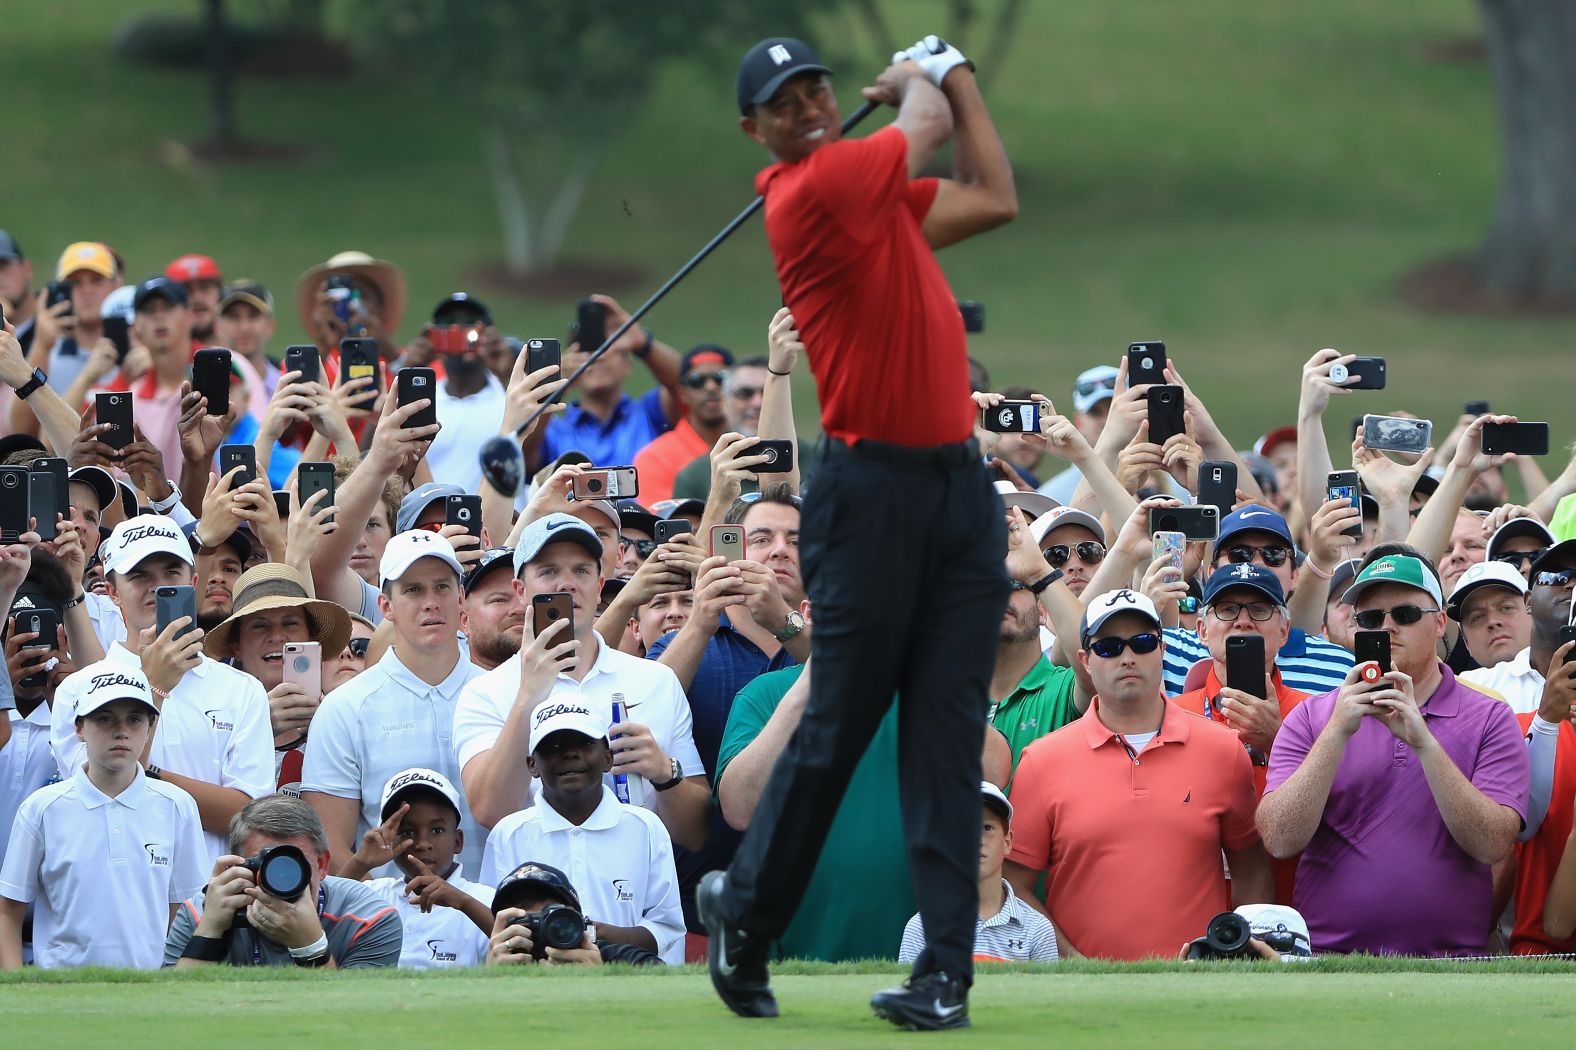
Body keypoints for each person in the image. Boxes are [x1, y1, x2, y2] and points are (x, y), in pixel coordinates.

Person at [700, 34, 1018, 1030]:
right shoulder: (809, 192)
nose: (808, 108)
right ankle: (746, 922)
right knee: (837, 729)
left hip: (958, 492)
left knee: (943, 733)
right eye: (783, 102)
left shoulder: (871, 194)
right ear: (756, 129)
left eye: (818, 90)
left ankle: (943, 980)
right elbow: (922, 130)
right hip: (867, 490)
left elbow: (993, 193)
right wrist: (927, 79)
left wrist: (954, 75)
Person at [1257, 548, 1530, 956]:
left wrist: (1424, 743)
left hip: (1452, 964)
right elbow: (1279, 838)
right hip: (1331, 962)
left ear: (1439, 623)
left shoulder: (1490, 717)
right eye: (1369, 619)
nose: (1387, 627)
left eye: (1404, 615)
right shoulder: (1313, 718)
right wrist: (1336, 733)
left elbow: (1492, 844)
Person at [1005, 590, 1273, 960]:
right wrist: (1073, 964)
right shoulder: (1041, 760)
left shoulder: (1224, 750)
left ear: (1162, 650)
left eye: (1143, 642)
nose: (1128, 657)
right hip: (1085, 993)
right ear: (1084, 660)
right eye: (1110, 647)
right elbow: (1014, 886)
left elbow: (1251, 869)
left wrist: (1237, 954)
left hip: (1199, 986)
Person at [454, 514, 709, 852]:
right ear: (521, 590)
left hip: (634, 893)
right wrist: (528, 697)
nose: (567, 583)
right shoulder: (484, 692)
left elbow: (697, 834)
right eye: (548, 572)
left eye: (581, 570)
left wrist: (664, 772)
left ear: (600, 585)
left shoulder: (656, 680)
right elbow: (490, 811)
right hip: (533, 894)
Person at [50, 515, 274, 864]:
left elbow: (250, 817)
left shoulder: (241, 689)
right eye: (140, 576)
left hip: (209, 902)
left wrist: (149, 777)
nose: (157, 586)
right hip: (118, 900)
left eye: (171, 573)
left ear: (193, 581)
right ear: (112, 592)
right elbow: (100, 792)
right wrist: (153, 687)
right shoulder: (77, 689)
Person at [301, 530, 485, 875]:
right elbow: (331, 845)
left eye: (442, 587)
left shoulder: (503, 695)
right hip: (389, 924)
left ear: (461, 596)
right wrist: (385, 917)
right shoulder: (344, 708)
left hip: (498, 922)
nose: (431, 601)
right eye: (413, 590)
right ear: (386, 606)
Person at [0, 668, 205, 969]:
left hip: (153, 993)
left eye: (134, 719)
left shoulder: (177, 805)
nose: (121, 731)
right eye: (105, 718)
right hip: (62, 994)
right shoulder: (42, 809)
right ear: (79, 728)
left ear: (150, 728)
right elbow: (9, 908)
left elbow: (184, 909)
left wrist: (175, 985)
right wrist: (16, 987)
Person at [478, 697, 684, 964]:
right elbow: (494, 926)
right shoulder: (509, 834)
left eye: (585, 744)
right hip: (533, 980)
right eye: (553, 746)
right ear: (532, 765)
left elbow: (667, 928)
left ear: (608, 758)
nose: (570, 753)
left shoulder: (645, 827)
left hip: (625, 982)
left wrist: (592, 934)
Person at [164, 793, 402, 968]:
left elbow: (353, 1020)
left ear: (321, 865)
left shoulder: (369, 919)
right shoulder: (201, 913)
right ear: (238, 866)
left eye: (293, 865)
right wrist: (210, 929)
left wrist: (310, 945)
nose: (279, 879)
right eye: (264, 864)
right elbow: (175, 1018)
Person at [1160, 506, 1355, 696]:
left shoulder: (1340, 666)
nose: (1256, 563)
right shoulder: (1167, 650)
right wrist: (1129, 554)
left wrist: (1277, 728)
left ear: (1295, 575)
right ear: (1211, 573)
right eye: (1240, 553)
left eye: (1273, 554)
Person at [201, 563, 352, 792]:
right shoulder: (212, 723)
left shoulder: (345, 715)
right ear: (237, 645)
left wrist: (330, 730)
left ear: (311, 638)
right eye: (259, 626)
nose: (277, 636)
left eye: (290, 623)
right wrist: (257, 730)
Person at [344, 769, 494, 969]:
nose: (423, 843)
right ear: (388, 841)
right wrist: (360, 862)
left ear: (457, 841)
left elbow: (521, 946)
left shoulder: (484, 899)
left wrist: (463, 903)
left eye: (437, 830)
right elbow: (319, 915)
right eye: (407, 831)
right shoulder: (374, 894)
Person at [899, 782, 1058, 964]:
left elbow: (1046, 992)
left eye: (987, 828)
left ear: (1007, 842)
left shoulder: (1037, 928)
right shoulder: (921, 928)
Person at [526, 294, 685, 471]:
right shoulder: (553, 430)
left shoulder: (650, 414)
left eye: (606, 346)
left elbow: (687, 386)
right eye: (588, 348)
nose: (597, 356)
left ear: (627, 364)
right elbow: (523, 454)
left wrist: (643, 343)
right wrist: (556, 386)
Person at [486, 860, 660, 967]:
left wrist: (600, 981)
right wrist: (492, 981)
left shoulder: (625, 960)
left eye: (553, 919)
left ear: (577, 922)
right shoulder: (497, 965)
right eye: (523, 922)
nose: (541, 930)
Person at [421, 293, 507, 493]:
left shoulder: (510, 396)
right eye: (448, 324)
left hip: (495, 522)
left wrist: (506, 373)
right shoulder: (421, 400)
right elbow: (373, 455)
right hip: (429, 522)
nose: (458, 330)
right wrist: (408, 370)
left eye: (469, 324)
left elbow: (533, 453)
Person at [634, 344, 734, 505]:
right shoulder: (655, 458)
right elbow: (663, 523)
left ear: (736, 388)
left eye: (721, 378)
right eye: (697, 381)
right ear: (682, 394)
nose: (711, 386)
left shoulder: (756, 445)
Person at [1452, 561, 1534, 706]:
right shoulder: (1458, 691)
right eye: (1477, 617)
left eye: (1506, 608)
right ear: (1466, 643)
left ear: (1533, 610)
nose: (1493, 621)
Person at [1035, 365, 1117, 504]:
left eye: (1113, 409)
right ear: (1079, 422)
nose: (1105, 420)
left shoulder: (1165, 478)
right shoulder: (1050, 497)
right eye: (1095, 412)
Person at [463, 547, 525, 672]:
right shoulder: (444, 687)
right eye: (499, 600)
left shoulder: (569, 687)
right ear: (464, 621)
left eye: (525, 596)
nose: (520, 609)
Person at [215, 280, 279, 399]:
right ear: (217, 327)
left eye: (253, 315)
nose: (244, 327)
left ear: (271, 326)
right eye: (233, 316)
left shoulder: (288, 383)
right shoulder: (208, 389)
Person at [164, 253, 223, 342]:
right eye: (187, 290)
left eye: (205, 287)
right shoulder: (150, 354)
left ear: (220, 293)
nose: (197, 298)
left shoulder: (240, 352)